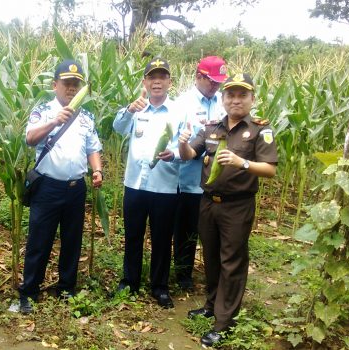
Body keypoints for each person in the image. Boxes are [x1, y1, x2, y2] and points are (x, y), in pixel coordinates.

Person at [177, 73, 277, 347]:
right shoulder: (210, 128)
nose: (235, 100)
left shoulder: (259, 130)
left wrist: (240, 162)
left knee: (231, 262)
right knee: (210, 257)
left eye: (242, 95)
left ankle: (224, 323)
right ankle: (211, 304)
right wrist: (183, 142)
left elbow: (269, 169)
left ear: (252, 98)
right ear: (222, 99)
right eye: (230, 94)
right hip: (208, 202)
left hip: (237, 205)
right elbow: (189, 155)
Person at [18, 59, 103, 313]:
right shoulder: (43, 111)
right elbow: (30, 139)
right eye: (66, 83)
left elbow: (93, 147)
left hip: (76, 188)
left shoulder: (86, 116)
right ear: (55, 85)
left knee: (72, 240)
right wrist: (54, 121)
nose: (71, 89)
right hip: (47, 187)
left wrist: (97, 169)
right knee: (39, 241)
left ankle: (66, 288)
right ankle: (29, 292)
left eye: (75, 84)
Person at [112, 58, 180, 308]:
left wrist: (175, 154)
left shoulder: (178, 111)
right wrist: (129, 109)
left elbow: (189, 144)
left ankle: (159, 286)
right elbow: (117, 128)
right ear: (145, 82)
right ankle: (129, 281)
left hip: (165, 186)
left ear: (169, 82)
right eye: (152, 77)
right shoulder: (137, 108)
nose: (157, 81)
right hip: (135, 185)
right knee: (133, 235)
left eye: (162, 77)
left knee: (162, 238)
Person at [171, 56, 228, 291]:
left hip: (215, 182)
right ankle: (183, 275)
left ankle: (211, 274)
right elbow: (174, 141)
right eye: (211, 81)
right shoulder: (181, 104)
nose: (215, 86)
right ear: (198, 77)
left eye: (218, 82)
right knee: (185, 229)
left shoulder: (222, 104)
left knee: (209, 230)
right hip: (187, 180)